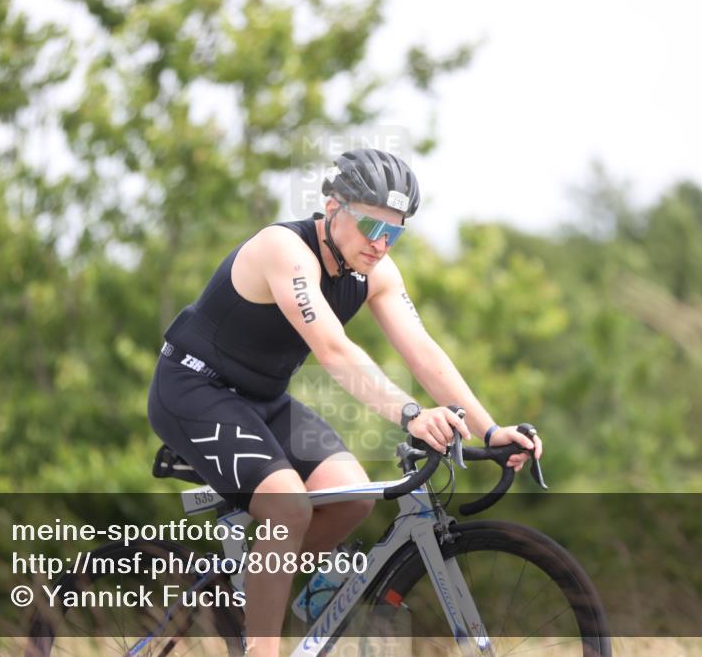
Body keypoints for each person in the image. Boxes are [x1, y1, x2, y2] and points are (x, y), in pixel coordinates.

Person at [147, 148, 542, 657]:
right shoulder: (283, 250)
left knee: (352, 495)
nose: (381, 244)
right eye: (370, 226)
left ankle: (254, 589)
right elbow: (333, 350)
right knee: (288, 506)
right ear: (333, 209)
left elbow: (424, 354)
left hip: (262, 399)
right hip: (193, 389)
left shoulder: (376, 271)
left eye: (395, 232)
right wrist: (413, 415)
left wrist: (490, 431)